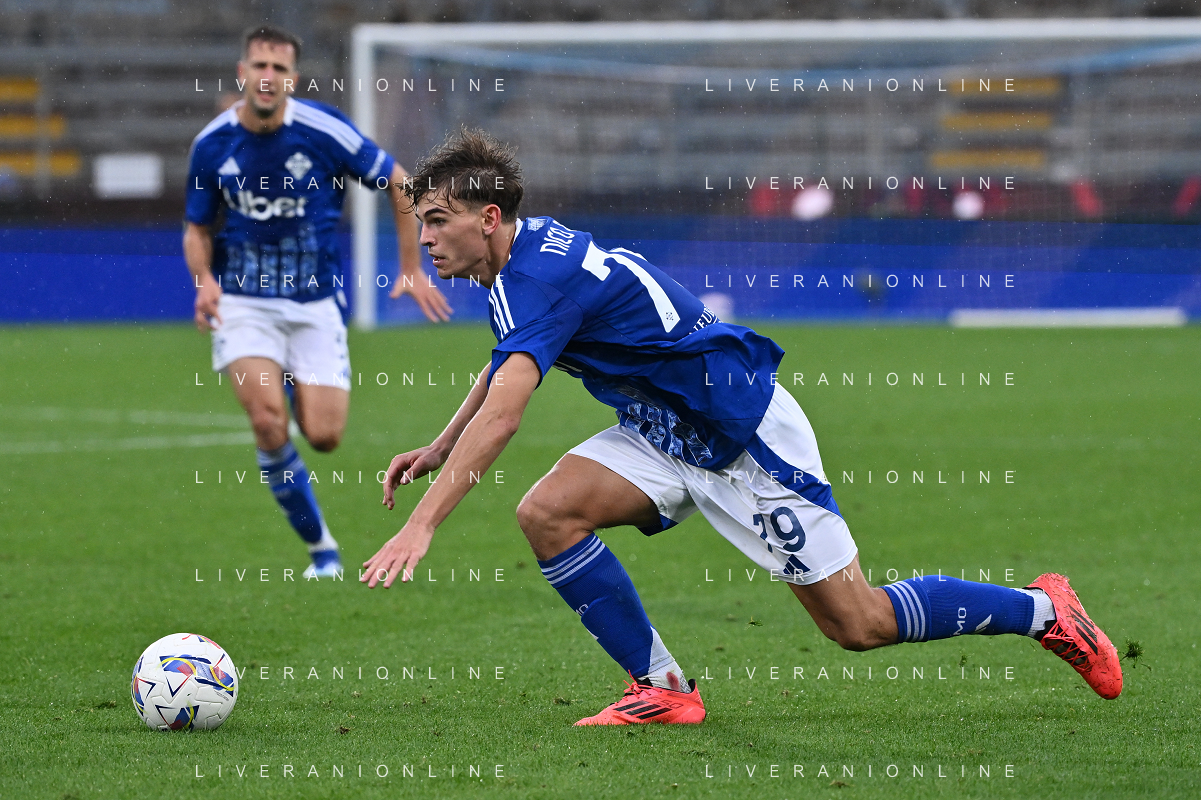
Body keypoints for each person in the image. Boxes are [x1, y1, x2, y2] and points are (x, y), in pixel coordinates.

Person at [361, 128, 1121, 725]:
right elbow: (506, 362)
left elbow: (506, 414)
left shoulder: (536, 277)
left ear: (488, 218)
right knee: (548, 513)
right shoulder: (521, 258)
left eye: (438, 221)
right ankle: (661, 688)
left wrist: (422, 526)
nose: (425, 240)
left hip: (740, 435)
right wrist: (440, 445)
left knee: (857, 624)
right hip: (662, 429)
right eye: (420, 223)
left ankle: (1045, 612)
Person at [184, 25, 451, 578]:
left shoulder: (323, 130)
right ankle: (322, 550)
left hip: (314, 303)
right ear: (242, 73)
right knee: (268, 423)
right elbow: (197, 228)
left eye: (279, 69)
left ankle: (286, 375)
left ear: (293, 79)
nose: (268, 77)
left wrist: (411, 267)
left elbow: (400, 183)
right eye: (259, 66)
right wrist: (203, 279)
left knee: (326, 437)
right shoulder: (212, 145)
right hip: (244, 303)